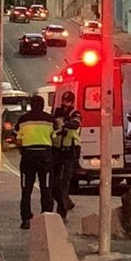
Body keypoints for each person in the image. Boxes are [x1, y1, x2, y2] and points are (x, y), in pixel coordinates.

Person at [15, 95, 56, 229]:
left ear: (31, 105)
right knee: (46, 188)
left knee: (26, 189)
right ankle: (47, 218)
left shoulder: (23, 119)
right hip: (45, 156)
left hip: (28, 157)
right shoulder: (50, 120)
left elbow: (17, 139)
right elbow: (55, 138)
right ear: (43, 105)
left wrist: (22, 147)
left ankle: (26, 219)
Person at [51, 90, 81, 219]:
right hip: (57, 149)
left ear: (72, 102)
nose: (65, 103)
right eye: (64, 100)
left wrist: (65, 125)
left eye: (68, 101)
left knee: (65, 182)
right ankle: (66, 202)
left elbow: (76, 124)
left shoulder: (75, 113)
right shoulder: (57, 112)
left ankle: (62, 211)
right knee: (54, 182)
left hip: (70, 150)